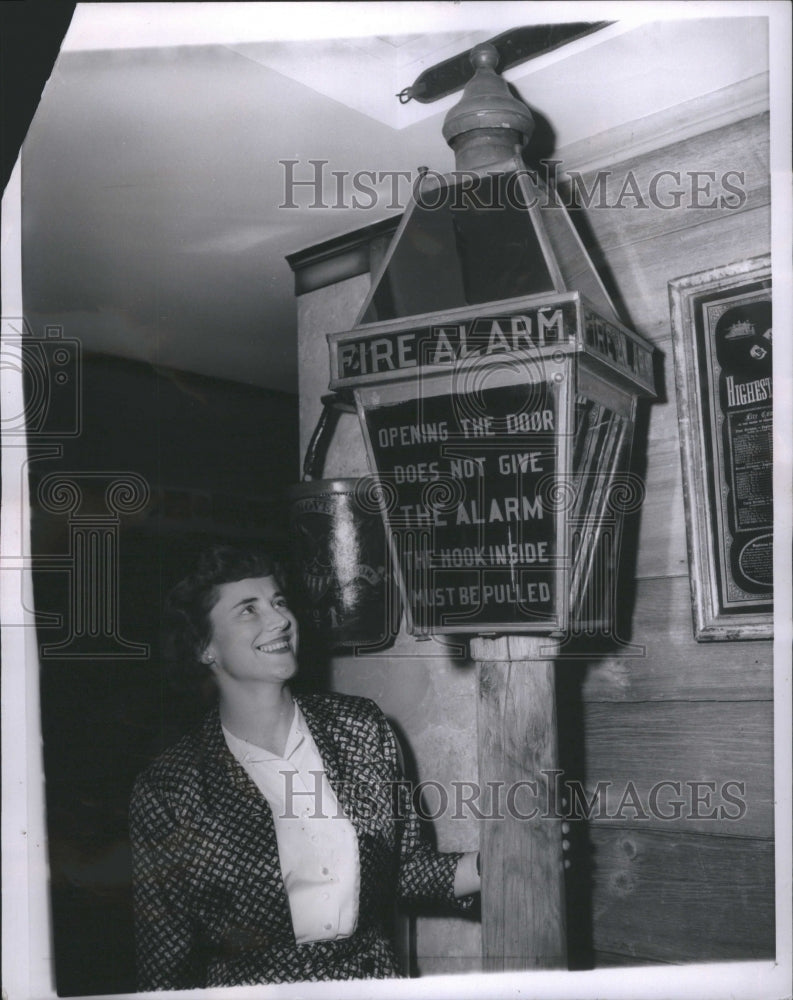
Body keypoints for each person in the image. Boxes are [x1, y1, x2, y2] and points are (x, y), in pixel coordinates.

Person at [129, 545, 480, 989]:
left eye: (278, 602)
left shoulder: (361, 728)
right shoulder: (169, 788)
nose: (279, 619)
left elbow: (402, 871)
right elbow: (165, 965)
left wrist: (499, 862)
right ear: (204, 648)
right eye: (247, 610)